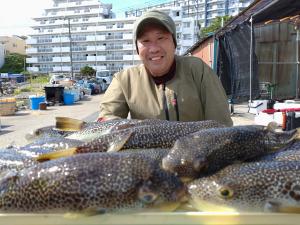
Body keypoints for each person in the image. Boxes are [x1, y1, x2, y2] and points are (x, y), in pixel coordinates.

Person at [98, 10, 233, 126]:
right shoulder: (124, 79)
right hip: (147, 155)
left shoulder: (198, 70)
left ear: (174, 42)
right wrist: (132, 128)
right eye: (145, 41)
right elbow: (106, 119)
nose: (154, 48)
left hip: (197, 154)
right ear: (137, 49)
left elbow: (221, 125)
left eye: (161, 38)